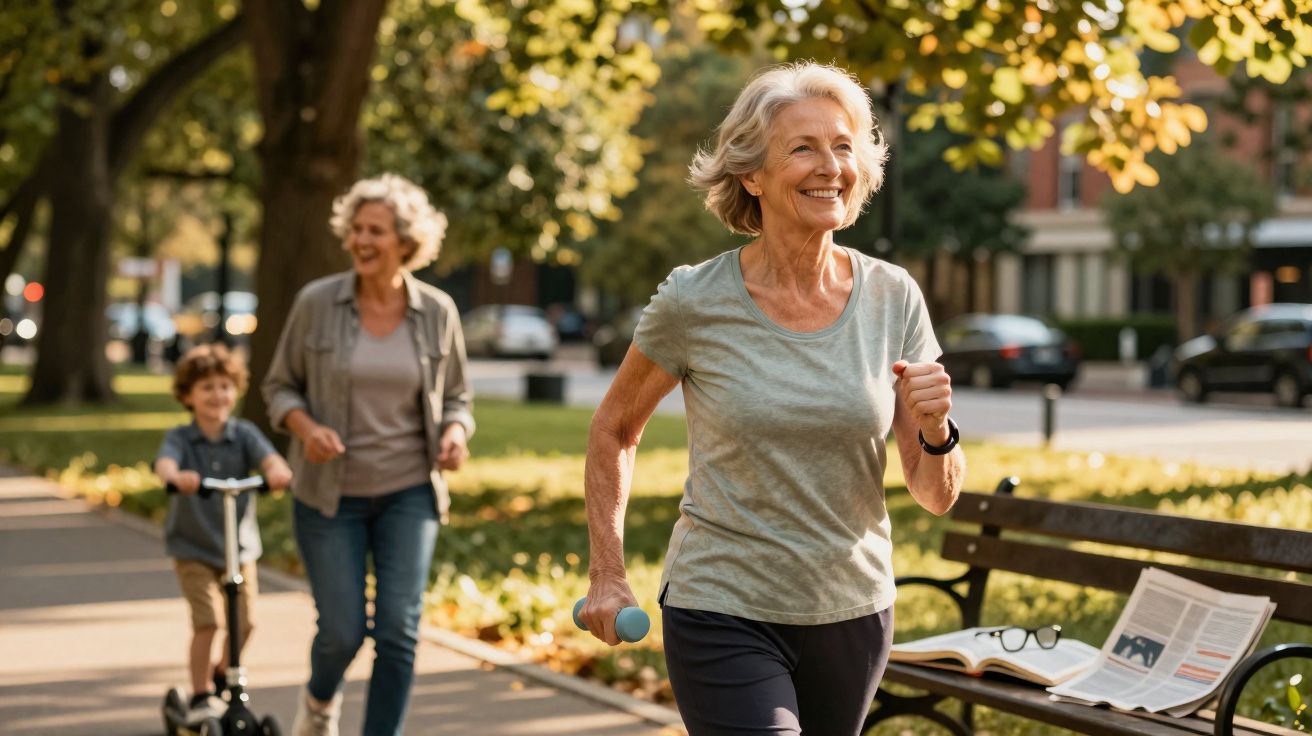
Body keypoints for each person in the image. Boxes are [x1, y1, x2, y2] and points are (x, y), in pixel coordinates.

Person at [578, 62, 966, 735]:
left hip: (851, 607)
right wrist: (607, 573)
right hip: (723, 601)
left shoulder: (892, 296)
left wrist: (937, 429)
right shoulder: (694, 300)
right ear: (751, 175)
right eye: (804, 147)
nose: (831, 165)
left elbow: (934, 494)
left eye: (844, 146)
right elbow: (614, 429)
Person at [263, 173, 474, 736]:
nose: (360, 240)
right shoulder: (317, 304)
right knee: (341, 630)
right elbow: (278, 387)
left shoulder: (437, 311)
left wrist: (456, 431)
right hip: (329, 494)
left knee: (400, 631)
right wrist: (305, 427)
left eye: (374, 230)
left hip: (409, 491)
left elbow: (457, 395)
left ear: (405, 241)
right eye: (355, 228)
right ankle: (317, 703)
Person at [154, 343, 294, 723]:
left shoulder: (244, 433)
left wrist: (278, 471)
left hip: (239, 548)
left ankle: (223, 673)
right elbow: (164, 463)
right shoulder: (182, 438)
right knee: (209, 621)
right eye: (207, 388)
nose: (218, 395)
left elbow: (270, 458)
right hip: (193, 547)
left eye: (224, 386)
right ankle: (200, 695)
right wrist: (175, 477)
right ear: (187, 396)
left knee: (245, 622)